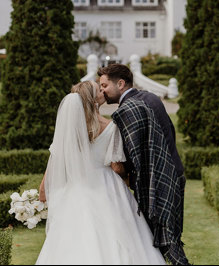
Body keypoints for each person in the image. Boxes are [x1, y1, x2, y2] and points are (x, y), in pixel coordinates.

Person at [35, 81, 166, 265]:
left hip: (78, 188)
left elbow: (54, 165)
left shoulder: (69, 129)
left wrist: (43, 191)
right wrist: (127, 178)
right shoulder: (111, 126)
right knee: (120, 236)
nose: (103, 91)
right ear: (93, 100)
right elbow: (116, 167)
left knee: (74, 240)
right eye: (99, 90)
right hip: (108, 187)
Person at [98, 64, 189, 265]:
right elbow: (169, 134)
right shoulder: (150, 98)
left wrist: (125, 174)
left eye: (104, 85)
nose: (102, 90)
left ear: (120, 84)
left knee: (164, 239)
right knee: (171, 235)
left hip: (157, 181)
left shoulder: (128, 109)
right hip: (174, 171)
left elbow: (135, 151)